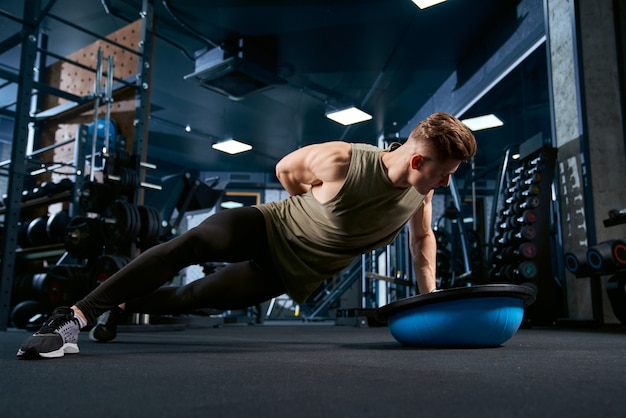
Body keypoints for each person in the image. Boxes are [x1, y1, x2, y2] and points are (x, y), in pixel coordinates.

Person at [16, 111, 476, 359]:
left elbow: (422, 241)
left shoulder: (421, 194)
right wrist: (308, 211)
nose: (446, 183)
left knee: (193, 297)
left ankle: (119, 307)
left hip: (291, 273)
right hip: (270, 226)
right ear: (418, 161)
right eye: (445, 173)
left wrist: (427, 301)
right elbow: (284, 171)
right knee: (191, 244)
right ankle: (71, 318)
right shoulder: (342, 161)